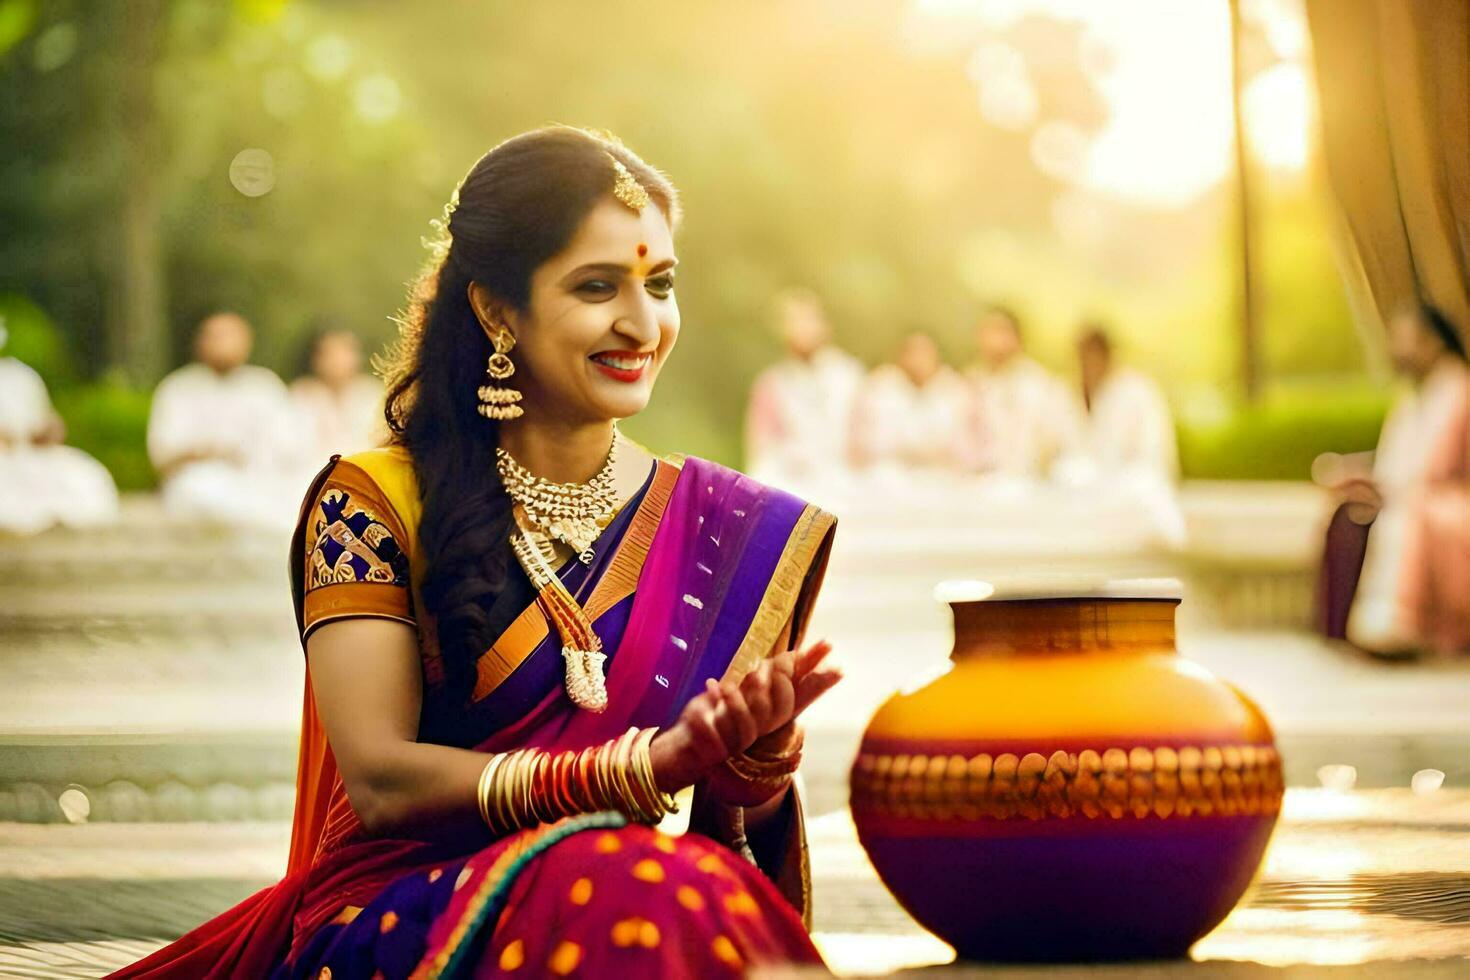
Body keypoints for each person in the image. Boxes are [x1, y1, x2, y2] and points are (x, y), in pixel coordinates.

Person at [112, 127, 841, 979]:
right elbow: (381, 783)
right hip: (407, 915)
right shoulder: (373, 502)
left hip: (616, 902)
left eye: (661, 283)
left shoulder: (720, 522)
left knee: (675, 890)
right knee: (631, 886)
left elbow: (730, 832)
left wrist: (754, 755)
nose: (643, 323)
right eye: (598, 286)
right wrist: (637, 766)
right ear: (497, 309)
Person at [1318, 303, 1470, 657]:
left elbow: (1434, 469)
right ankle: (1353, 627)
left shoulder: (1457, 390)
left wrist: (1389, 489)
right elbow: (1398, 465)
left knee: (1407, 519)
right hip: (1416, 494)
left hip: (1452, 499)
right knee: (1355, 512)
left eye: (1407, 340)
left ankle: (1398, 627)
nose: (1398, 350)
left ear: (1434, 343)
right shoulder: (1413, 395)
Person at [146, 312, 302, 528]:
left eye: (230, 336)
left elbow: (290, 449)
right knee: (203, 490)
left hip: (261, 484)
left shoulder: (265, 387)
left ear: (247, 343)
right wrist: (208, 453)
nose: (223, 344)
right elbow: (163, 457)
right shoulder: (178, 388)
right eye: (215, 337)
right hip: (198, 485)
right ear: (200, 344)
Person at [0, 321, 119, 534]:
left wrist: (47, 432)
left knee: (83, 476)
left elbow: (43, 420)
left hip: (30, 457)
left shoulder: (20, 376)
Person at [744, 288, 863, 495]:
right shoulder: (772, 383)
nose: (801, 329)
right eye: (793, 322)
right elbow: (761, 453)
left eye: (808, 320)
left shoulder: (850, 376)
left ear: (824, 325)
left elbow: (865, 441)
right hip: (793, 483)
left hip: (847, 482)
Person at [964, 306, 1080, 477]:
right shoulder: (969, 383)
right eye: (989, 331)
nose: (994, 339)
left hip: (1027, 484)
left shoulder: (1038, 384)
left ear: (1017, 337)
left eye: (1001, 331)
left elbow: (1054, 439)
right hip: (980, 483)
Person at [1060, 325, 1179, 485]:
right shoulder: (1080, 393)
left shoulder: (1136, 390)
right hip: (1097, 484)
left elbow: (1150, 450)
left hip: (1135, 483)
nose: (1087, 364)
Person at [849, 332, 970, 474]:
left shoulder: (956, 391)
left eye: (925, 353)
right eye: (912, 352)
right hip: (889, 474)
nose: (918, 360)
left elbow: (964, 449)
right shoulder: (880, 388)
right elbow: (867, 446)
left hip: (942, 475)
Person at [289, 325, 388, 464]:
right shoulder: (303, 394)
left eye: (345, 352)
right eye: (331, 353)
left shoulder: (371, 394)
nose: (339, 360)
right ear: (317, 359)